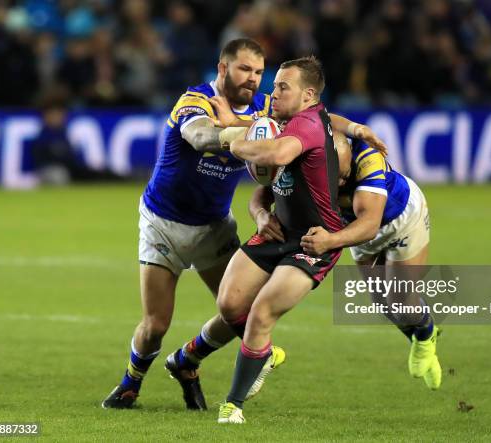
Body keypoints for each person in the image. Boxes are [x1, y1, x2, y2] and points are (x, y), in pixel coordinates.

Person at [102, 38, 386, 410]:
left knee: (239, 309)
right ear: (223, 69)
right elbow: (199, 134)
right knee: (156, 324)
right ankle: (130, 384)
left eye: (258, 72)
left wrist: (354, 128)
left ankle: (187, 363)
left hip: (213, 226)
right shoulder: (196, 101)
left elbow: (314, 115)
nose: (254, 79)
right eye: (244, 70)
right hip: (162, 223)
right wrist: (237, 131)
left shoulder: (266, 107)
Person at [215, 56, 343, 424]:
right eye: (274, 86)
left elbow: (276, 154)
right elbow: (265, 188)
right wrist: (260, 214)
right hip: (279, 229)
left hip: (315, 241)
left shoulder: (306, 124)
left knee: (262, 310)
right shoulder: (286, 120)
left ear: (308, 94)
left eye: (282, 87)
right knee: (229, 304)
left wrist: (235, 144)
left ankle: (232, 405)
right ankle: (264, 355)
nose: (273, 93)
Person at [299, 131, 441, 390]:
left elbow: (369, 225)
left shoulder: (368, 160)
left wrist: (329, 241)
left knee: (401, 301)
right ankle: (416, 336)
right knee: (381, 302)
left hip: (401, 221)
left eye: (344, 175)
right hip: (353, 227)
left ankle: (426, 334)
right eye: (335, 176)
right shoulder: (308, 160)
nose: (340, 182)